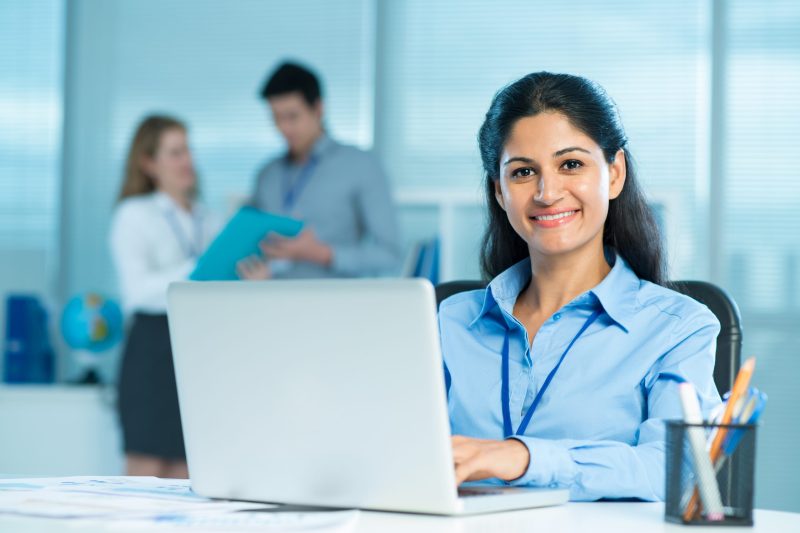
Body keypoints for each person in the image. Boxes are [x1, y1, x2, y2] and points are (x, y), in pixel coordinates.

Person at [439, 72, 721, 501]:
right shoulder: (450, 319)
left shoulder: (679, 327)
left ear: (614, 172)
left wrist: (525, 458)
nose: (547, 192)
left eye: (571, 164)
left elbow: (680, 468)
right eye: (522, 172)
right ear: (499, 192)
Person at [109, 115, 222, 478]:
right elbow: (136, 292)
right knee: (146, 471)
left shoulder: (210, 219)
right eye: (174, 153)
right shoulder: (134, 215)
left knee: (191, 473)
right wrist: (197, 270)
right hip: (153, 350)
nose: (186, 160)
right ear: (148, 163)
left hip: (199, 347)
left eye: (187, 150)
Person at [241, 61, 401, 280]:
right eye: (276, 118)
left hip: (336, 306)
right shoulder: (267, 175)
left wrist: (323, 254)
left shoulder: (361, 165)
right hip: (271, 302)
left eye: (292, 117)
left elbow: (390, 256)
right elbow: (251, 247)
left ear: (318, 109)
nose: (284, 128)